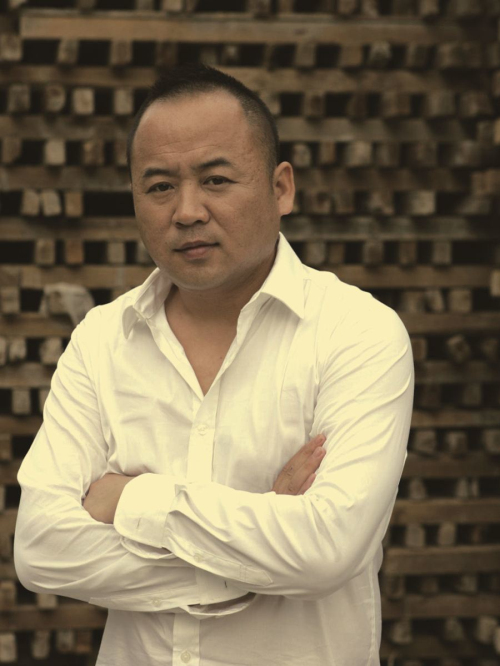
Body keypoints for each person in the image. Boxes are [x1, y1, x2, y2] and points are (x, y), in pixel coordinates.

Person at [14, 64, 414, 666]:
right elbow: (41, 549)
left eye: (216, 180)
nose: (187, 211)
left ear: (282, 188)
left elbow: (327, 548)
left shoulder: (357, 333)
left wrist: (132, 499)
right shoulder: (101, 340)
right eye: (159, 187)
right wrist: (251, 564)